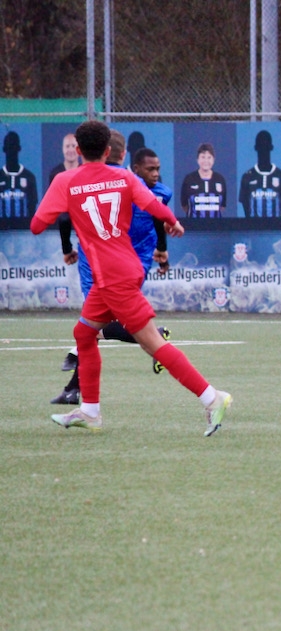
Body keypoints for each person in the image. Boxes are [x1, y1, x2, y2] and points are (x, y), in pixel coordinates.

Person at [31, 120, 231, 435]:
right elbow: (153, 205)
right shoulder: (125, 177)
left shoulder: (64, 180)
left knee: (152, 342)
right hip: (121, 270)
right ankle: (90, 412)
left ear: (78, 150)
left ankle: (212, 398)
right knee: (84, 334)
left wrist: (66, 201)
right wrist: (173, 221)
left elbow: (37, 225)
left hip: (113, 277)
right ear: (108, 151)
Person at [51, 135, 174, 405]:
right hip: (125, 262)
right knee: (96, 323)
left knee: (95, 324)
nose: (155, 174)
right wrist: (162, 251)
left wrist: (67, 247)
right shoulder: (133, 184)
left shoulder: (95, 182)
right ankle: (74, 389)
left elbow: (63, 217)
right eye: (151, 169)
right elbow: (158, 214)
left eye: (157, 169)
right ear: (123, 155)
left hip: (107, 262)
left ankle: (76, 390)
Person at [239, 130, 281, 217]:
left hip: (276, 225)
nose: (263, 149)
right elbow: (245, 207)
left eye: (266, 146)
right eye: (261, 146)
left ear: (271, 147)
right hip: (253, 225)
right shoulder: (247, 177)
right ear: (256, 148)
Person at [180, 142, 228, 218]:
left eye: (209, 157)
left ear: (213, 160)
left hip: (216, 225)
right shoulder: (189, 179)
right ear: (197, 159)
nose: (206, 161)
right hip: (193, 225)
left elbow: (222, 206)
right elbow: (184, 205)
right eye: (203, 157)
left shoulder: (220, 179)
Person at [0, 131, 38, 217]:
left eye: (14, 147)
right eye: (9, 147)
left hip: (24, 225)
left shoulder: (29, 177)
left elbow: (32, 208)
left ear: (19, 148)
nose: (11, 151)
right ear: (4, 149)